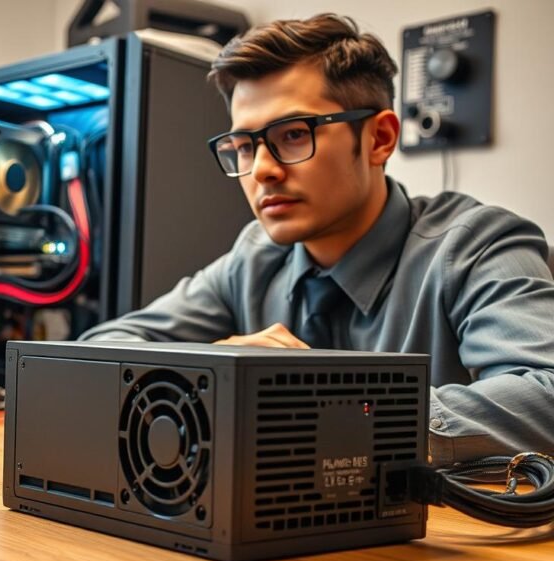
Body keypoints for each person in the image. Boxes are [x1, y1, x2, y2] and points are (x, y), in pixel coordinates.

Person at [79, 14, 554, 466]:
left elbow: (546, 393)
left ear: (379, 139)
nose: (261, 169)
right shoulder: (254, 258)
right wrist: (215, 368)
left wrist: (331, 405)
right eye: (244, 146)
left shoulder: (476, 245)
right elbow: (97, 354)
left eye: (291, 134)